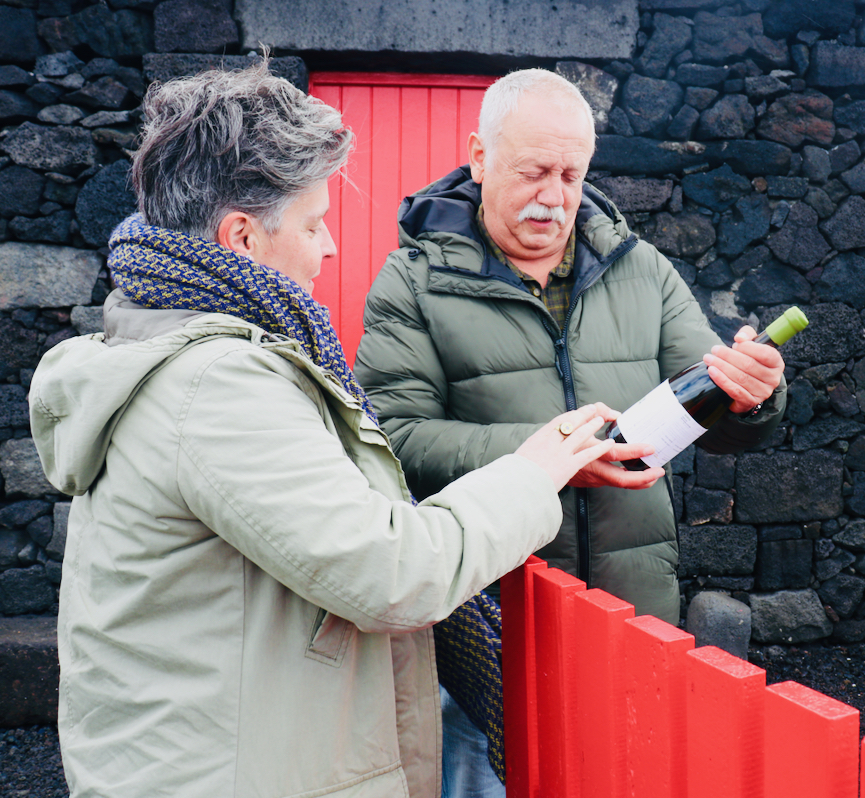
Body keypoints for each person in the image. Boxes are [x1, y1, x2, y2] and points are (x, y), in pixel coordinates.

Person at [28, 61, 621, 798]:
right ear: (242, 237)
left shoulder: (162, 341)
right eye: (314, 224)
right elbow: (394, 573)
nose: (330, 248)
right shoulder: (216, 386)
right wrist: (534, 471)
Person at [354, 69, 789, 795]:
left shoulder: (641, 270)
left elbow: (713, 411)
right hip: (488, 626)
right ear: (480, 157)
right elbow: (394, 441)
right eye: (533, 172)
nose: (554, 197)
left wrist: (753, 397)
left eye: (572, 174)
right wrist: (546, 463)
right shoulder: (412, 283)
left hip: (633, 615)